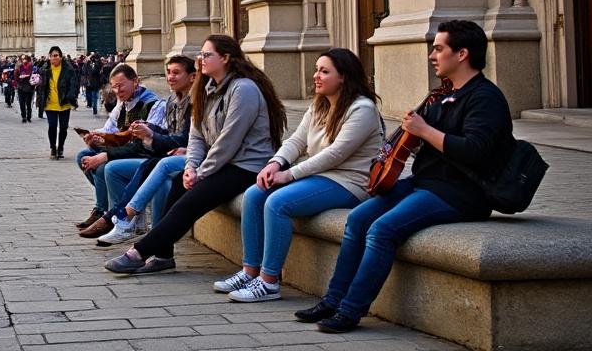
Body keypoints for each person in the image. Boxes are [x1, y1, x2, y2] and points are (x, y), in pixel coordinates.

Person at [297, 20, 515, 333]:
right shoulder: (440, 94)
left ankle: (350, 310)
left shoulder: (485, 98)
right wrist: (403, 142)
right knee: (358, 220)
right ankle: (332, 299)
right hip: (426, 183)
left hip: (461, 193)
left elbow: (476, 150)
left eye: (439, 48)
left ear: (462, 54)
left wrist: (425, 130)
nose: (432, 55)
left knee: (383, 230)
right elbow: (413, 143)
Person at [105, 34, 286, 276]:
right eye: (200, 55)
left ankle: (138, 252)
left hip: (247, 166)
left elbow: (228, 141)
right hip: (222, 163)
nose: (200, 59)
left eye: (207, 55)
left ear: (226, 58)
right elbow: (197, 136)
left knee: (191, 199)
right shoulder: (206, 88)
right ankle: (163, 256)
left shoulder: (244, 89)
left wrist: (201, 173)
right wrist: (191, 166)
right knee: (179, 183)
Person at [213, 48, 384, 303]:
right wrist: (275, 163)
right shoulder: (321, 104)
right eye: (316, 69)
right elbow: (297, 140)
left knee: (278, 203)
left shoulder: (362, 109)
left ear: (344, 77)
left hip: (349, 182)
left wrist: (290, 175)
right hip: (320, 176)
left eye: (324, 72)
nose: (316, 76)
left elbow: (335, 154)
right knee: (254, 193)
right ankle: (250, 271)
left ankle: (269, 281)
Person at [95, 55, 198, 246]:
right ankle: (120, 218)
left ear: (192, 76)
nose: (170, 77)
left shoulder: (192, 102)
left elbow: (188, 138)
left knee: (158, 168)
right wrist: (149, 131)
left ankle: (124, 220)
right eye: (168, 72)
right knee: (110, 167)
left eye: (176, 73)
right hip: (165, 153)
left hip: (182, 156)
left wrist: (151, 135)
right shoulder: (172, 101)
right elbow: (171, 134)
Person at [75, 64, 166, 238]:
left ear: (135, 82)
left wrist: (106, 155)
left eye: (121, 85)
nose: (117, 91)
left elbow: (143, 145)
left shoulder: (154, 104)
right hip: (128, 151)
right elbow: (110, 131)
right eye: (114, 86)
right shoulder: (122, 105)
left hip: (145, 156)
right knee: (84, 156)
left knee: (106, 167)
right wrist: (95, 138)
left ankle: (119, 218)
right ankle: (103, 209)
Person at [42, 46, 81, 159]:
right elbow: (41, 84)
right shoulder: (45, 69)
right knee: (52, 126)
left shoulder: (68, 69)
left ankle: (61, 147)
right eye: (53, 55)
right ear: (49, 57)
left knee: (63, 127)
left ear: (61, 56)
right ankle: (53, 148)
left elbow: (74, 84)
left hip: (64, 103)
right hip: (50, 103)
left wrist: (70, 96)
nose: (55, 58)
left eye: (57, 55)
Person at [16, 58, 36, 123]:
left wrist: (34, 80)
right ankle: (24, 116)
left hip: (30, 87)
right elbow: (16, 77)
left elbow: (37, 77)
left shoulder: (33, 68)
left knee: (28, 103)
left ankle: (29, 116)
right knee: (22, 103)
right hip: (21, 87)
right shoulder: (19, 67)